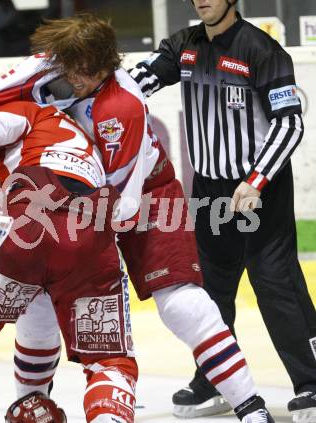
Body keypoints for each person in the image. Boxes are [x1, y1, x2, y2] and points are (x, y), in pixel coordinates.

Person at [0, 14, 276, 423]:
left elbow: (124, 203)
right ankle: (31, 405)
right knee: (35, 299)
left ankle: (251, 407)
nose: (75, 79)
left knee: (182, 306)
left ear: (108, 64)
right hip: (73, 199)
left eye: (87, 71)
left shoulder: (122, 104)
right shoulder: (43, 65)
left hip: (144, 195)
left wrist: (85, 251)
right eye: (69, 67)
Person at [129, 0, 316, 421]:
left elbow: (290, 124)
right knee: (211, 289)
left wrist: (256, 180)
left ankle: (311, 382)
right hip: (210, 189)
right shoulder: (185, 45)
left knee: (275, 282)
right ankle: (213, 379)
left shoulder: (261, 51)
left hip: (258, 189)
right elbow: (135, 83)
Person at [0, 100, 143, 423]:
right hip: (93, 228)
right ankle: (109, 417)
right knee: (108, 359)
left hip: (28, 220)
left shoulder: (20, 113)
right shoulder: (51, 120)